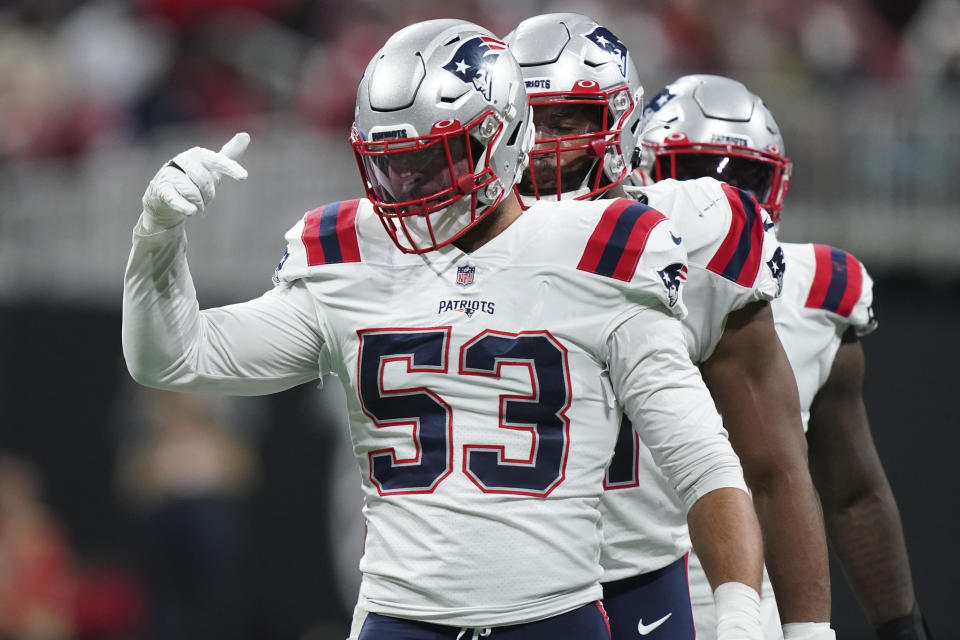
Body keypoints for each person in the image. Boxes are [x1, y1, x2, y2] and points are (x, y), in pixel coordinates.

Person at [122, 19, 767, 640]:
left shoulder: (598, 251)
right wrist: (156, 236)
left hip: (554, 615)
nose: (409, 185)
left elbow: (705, 465)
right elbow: (174, 359)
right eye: (393, 163)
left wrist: (738, 618)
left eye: (434, 159)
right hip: (398, 616)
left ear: (505, 135)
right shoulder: (353, 258)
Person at [505, 14, 833, 640]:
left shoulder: (692, 234)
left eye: (565, 121)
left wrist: (810, 632)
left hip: (651, 580)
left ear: (621, 126)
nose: (538, 144)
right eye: (525, 120)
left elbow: (774, 467)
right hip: (495, 590)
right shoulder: (446, 245)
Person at [640, 73, 934, 640]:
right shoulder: (594, 270)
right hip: (608, 597)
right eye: (695, 172)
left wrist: (903, 628)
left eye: (745, 179)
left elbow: (852, 493)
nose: (717, 201)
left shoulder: (815, 293)